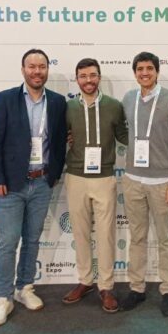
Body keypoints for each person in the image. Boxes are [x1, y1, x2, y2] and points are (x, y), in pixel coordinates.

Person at [0, 49, 67, 326]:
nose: (37, 71)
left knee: (32, 239)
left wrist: (53, 175)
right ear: (23, 70)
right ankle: (3, 297)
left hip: (42, 182)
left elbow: (58, 142)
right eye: (31, 66)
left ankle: (24, 288)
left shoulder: (56, 102)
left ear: (47, 70)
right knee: (8, 242)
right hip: (11, 184)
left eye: (41, 66)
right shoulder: (5, 99)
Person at [120, 51, 168, 317]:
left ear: (157, 72)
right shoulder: (128, 99)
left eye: (149, 68)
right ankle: (136, 288)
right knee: (136, 237)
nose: (144, 73)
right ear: (135, 73)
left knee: (165, 239)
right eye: (140, 69)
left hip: (162, 183)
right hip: (133, 180)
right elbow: (125, 133)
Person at [62, 58, 128, 313]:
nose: (88, 80)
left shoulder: (114, 106)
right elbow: (60, 137)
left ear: (99, 77)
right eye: (83, 76)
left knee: (105, 234)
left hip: (104, 177)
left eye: (92, 75)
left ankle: (106, 286)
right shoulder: (68, 107)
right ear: (77, 79)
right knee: (80, 233)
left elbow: (124, 137)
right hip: (76, 177)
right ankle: (85, 281)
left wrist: (152, 140)